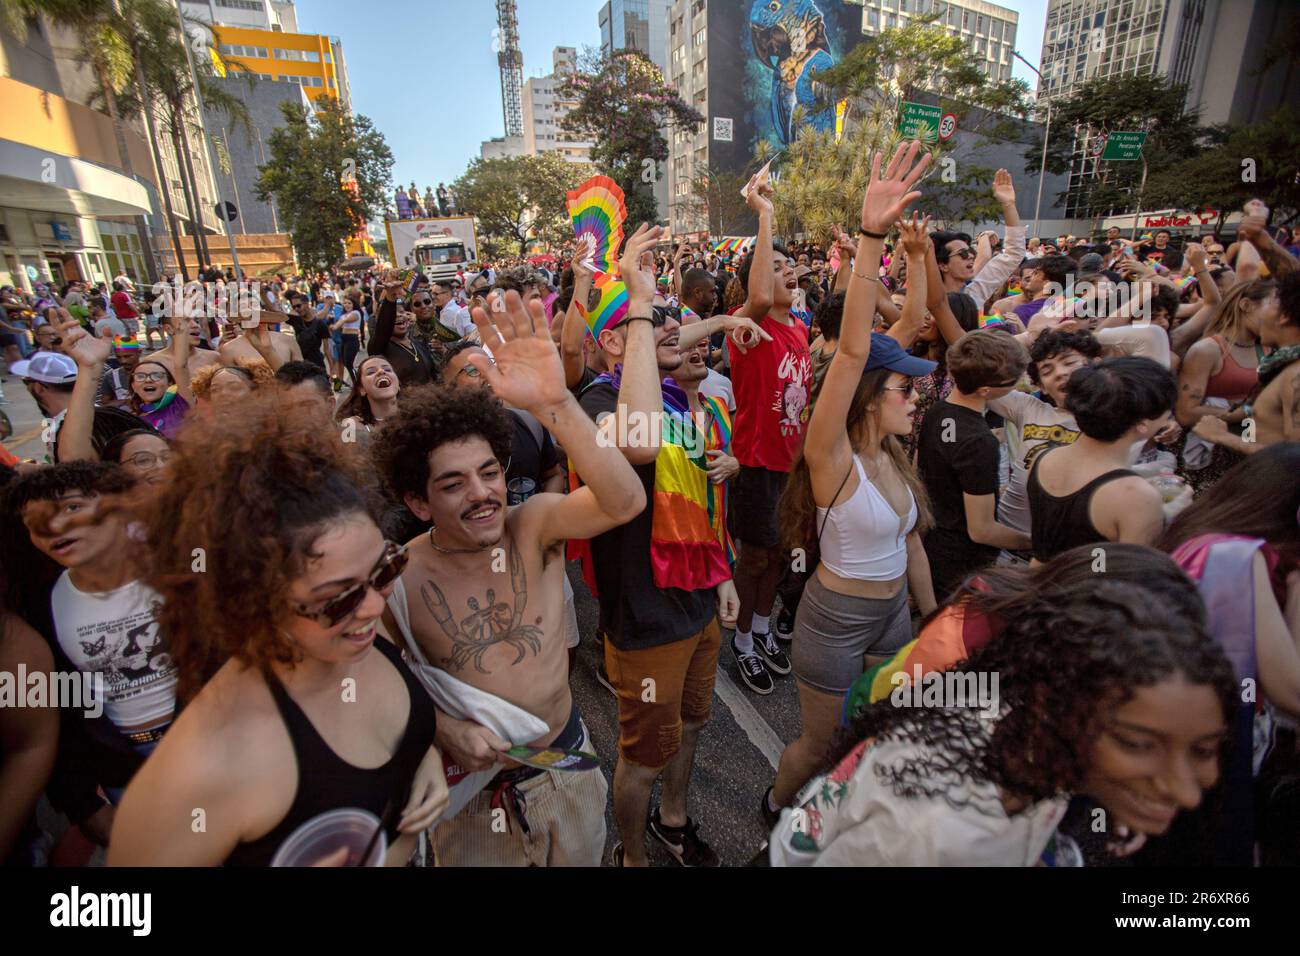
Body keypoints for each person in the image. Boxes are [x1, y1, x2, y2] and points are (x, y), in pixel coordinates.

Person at [372, 288, 646, 867]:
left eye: (490, 473)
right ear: (418, 503)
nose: (482, 495)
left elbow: (624, 501)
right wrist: (442, 727)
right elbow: (377, 685)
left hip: (565, 771)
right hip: (472, 803)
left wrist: (556, 403)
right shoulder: (397, 577)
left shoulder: (535, 526)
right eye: (453, 485)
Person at [107, 400, 448, 865]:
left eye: (386, 568)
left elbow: (390, 737)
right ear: (251, 601)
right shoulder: (197, 773)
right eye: (339, 597)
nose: (373, 605)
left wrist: (419, 761)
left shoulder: (352, 638)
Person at [769, 565, 1236, 865]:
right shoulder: (942, 836)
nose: (1186, 789)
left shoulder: (1017, 726)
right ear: (1057, 704)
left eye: (1204, 748)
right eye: (1139, 744)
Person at [767, 144, 937, 819]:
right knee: (817, 744)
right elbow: (858, 348)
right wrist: (870, 240)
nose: (917, 397)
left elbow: (913, 543)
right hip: (833, 621)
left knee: (872, 731)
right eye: (905, 389)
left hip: (892, 611)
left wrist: (926, 615)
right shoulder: (829, 454)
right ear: (869, 396)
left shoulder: (897, 457)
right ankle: (780, 816)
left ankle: (844, 817)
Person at [570, 225, 736, 866]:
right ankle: (633, 856)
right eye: (654, 320)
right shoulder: (599, 402)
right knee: (642, 756)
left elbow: (695, 505)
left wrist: (720, 573)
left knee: (692, 727)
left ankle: (674, 822)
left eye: (672, 316)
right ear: (614, 340)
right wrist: (639, 302)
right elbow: (636, 442)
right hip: (645, 620)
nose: (674, 328)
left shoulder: (669, 398)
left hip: (697, 602)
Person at [5, 461, 177, 852]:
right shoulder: (40, 612)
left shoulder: (181, 572)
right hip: (129, 771)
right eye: (36, 521)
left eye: (71, 507)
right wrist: (83, 804)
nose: (55, 526)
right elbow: (56, 715)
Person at [727, 170, 813, 693]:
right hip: (756, 464)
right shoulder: (746, 329)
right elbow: (758, 296)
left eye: (789, 265)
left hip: (793, 465)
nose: (787, 273)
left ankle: (761, 628)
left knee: (781, 556)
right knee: (755, 556)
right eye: (774, 266)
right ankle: (740, 641)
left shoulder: (799, 328)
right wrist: (765, 215)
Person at [918, 330, 1032, 599]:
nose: (1020, 383)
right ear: (986, 390)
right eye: (1014, 381)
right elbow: (981, 530)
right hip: (962, 566)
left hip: (933, 545)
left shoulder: (938, 412)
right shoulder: (980, 442)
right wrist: (1031, 541)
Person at [1027, 357, 1176, 561]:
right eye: (1167, 412)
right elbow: (1126, 574)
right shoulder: (1136, 496)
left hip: (1039, 583)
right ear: (1143, 424)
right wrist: (1171, 516)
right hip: (1088, 590)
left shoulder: (1044, 458)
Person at [1192, 269, 1300, 454]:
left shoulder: (1296, 376)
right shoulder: (1283, 366)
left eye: (1271, 302)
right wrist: (1246, 412)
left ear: (1284, 316)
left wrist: (1222, 437)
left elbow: (1295, 460)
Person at [371, 271, 438, 386]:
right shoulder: (380, 347)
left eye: (402, 312)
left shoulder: (418, 344)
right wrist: (390, 297)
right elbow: (384, 327)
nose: (399, 315)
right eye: (394, 314)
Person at [283, 294, 332, 371]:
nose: (296, 309)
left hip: (317, 365)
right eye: (294, 307)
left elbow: (327, 349)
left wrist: (332, 368)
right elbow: (275, 312)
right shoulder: (296, 321)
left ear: (306, 303)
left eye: (298, 306)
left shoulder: (320, 324)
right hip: (301, 365)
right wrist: (263, 294)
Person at [330, 292, 364, 389]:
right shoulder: (343, 315)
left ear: (353, 304)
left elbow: (345, 321)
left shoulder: (355, 313)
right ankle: (341, 384)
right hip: (343, 339)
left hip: (352, 339)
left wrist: (335, 326)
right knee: (345, 362)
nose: (347, 305)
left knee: (349, 364)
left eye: (349, 303)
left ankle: (357, 383)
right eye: (345, 303)